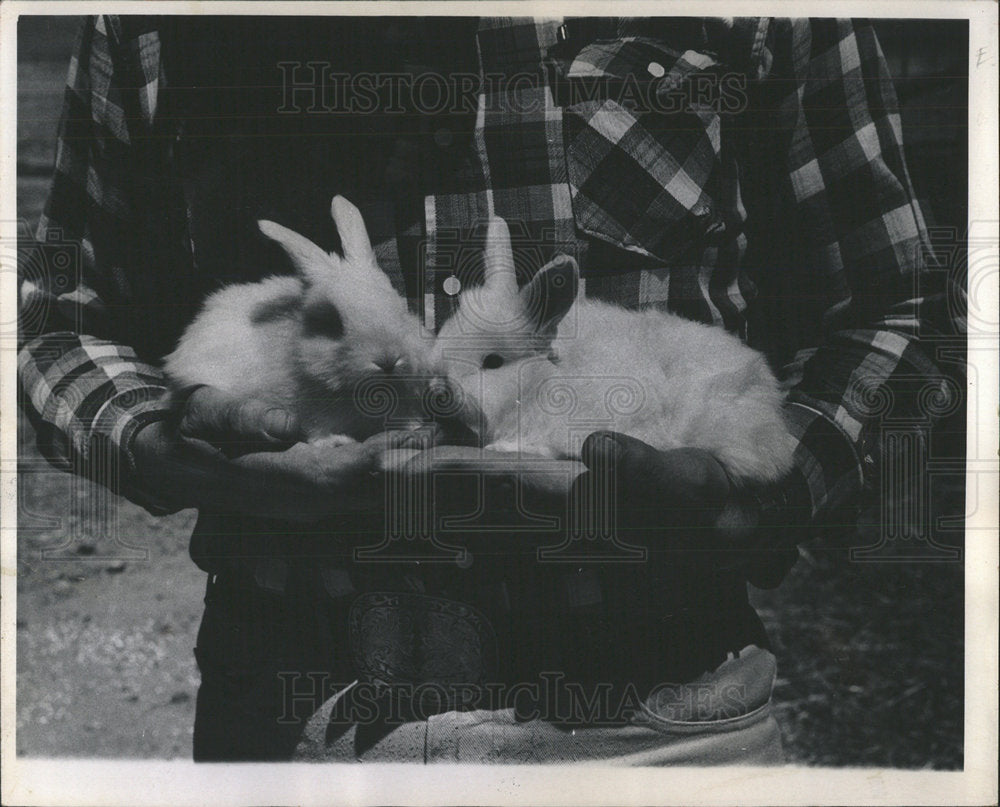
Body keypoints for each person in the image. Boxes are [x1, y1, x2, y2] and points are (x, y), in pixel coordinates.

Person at [18, 15, 963, 762]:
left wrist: (763, 501)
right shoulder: (154, 24)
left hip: (659, 715)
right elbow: (60, 327)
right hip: (293, 714)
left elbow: (904, 310)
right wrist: (177, 452)